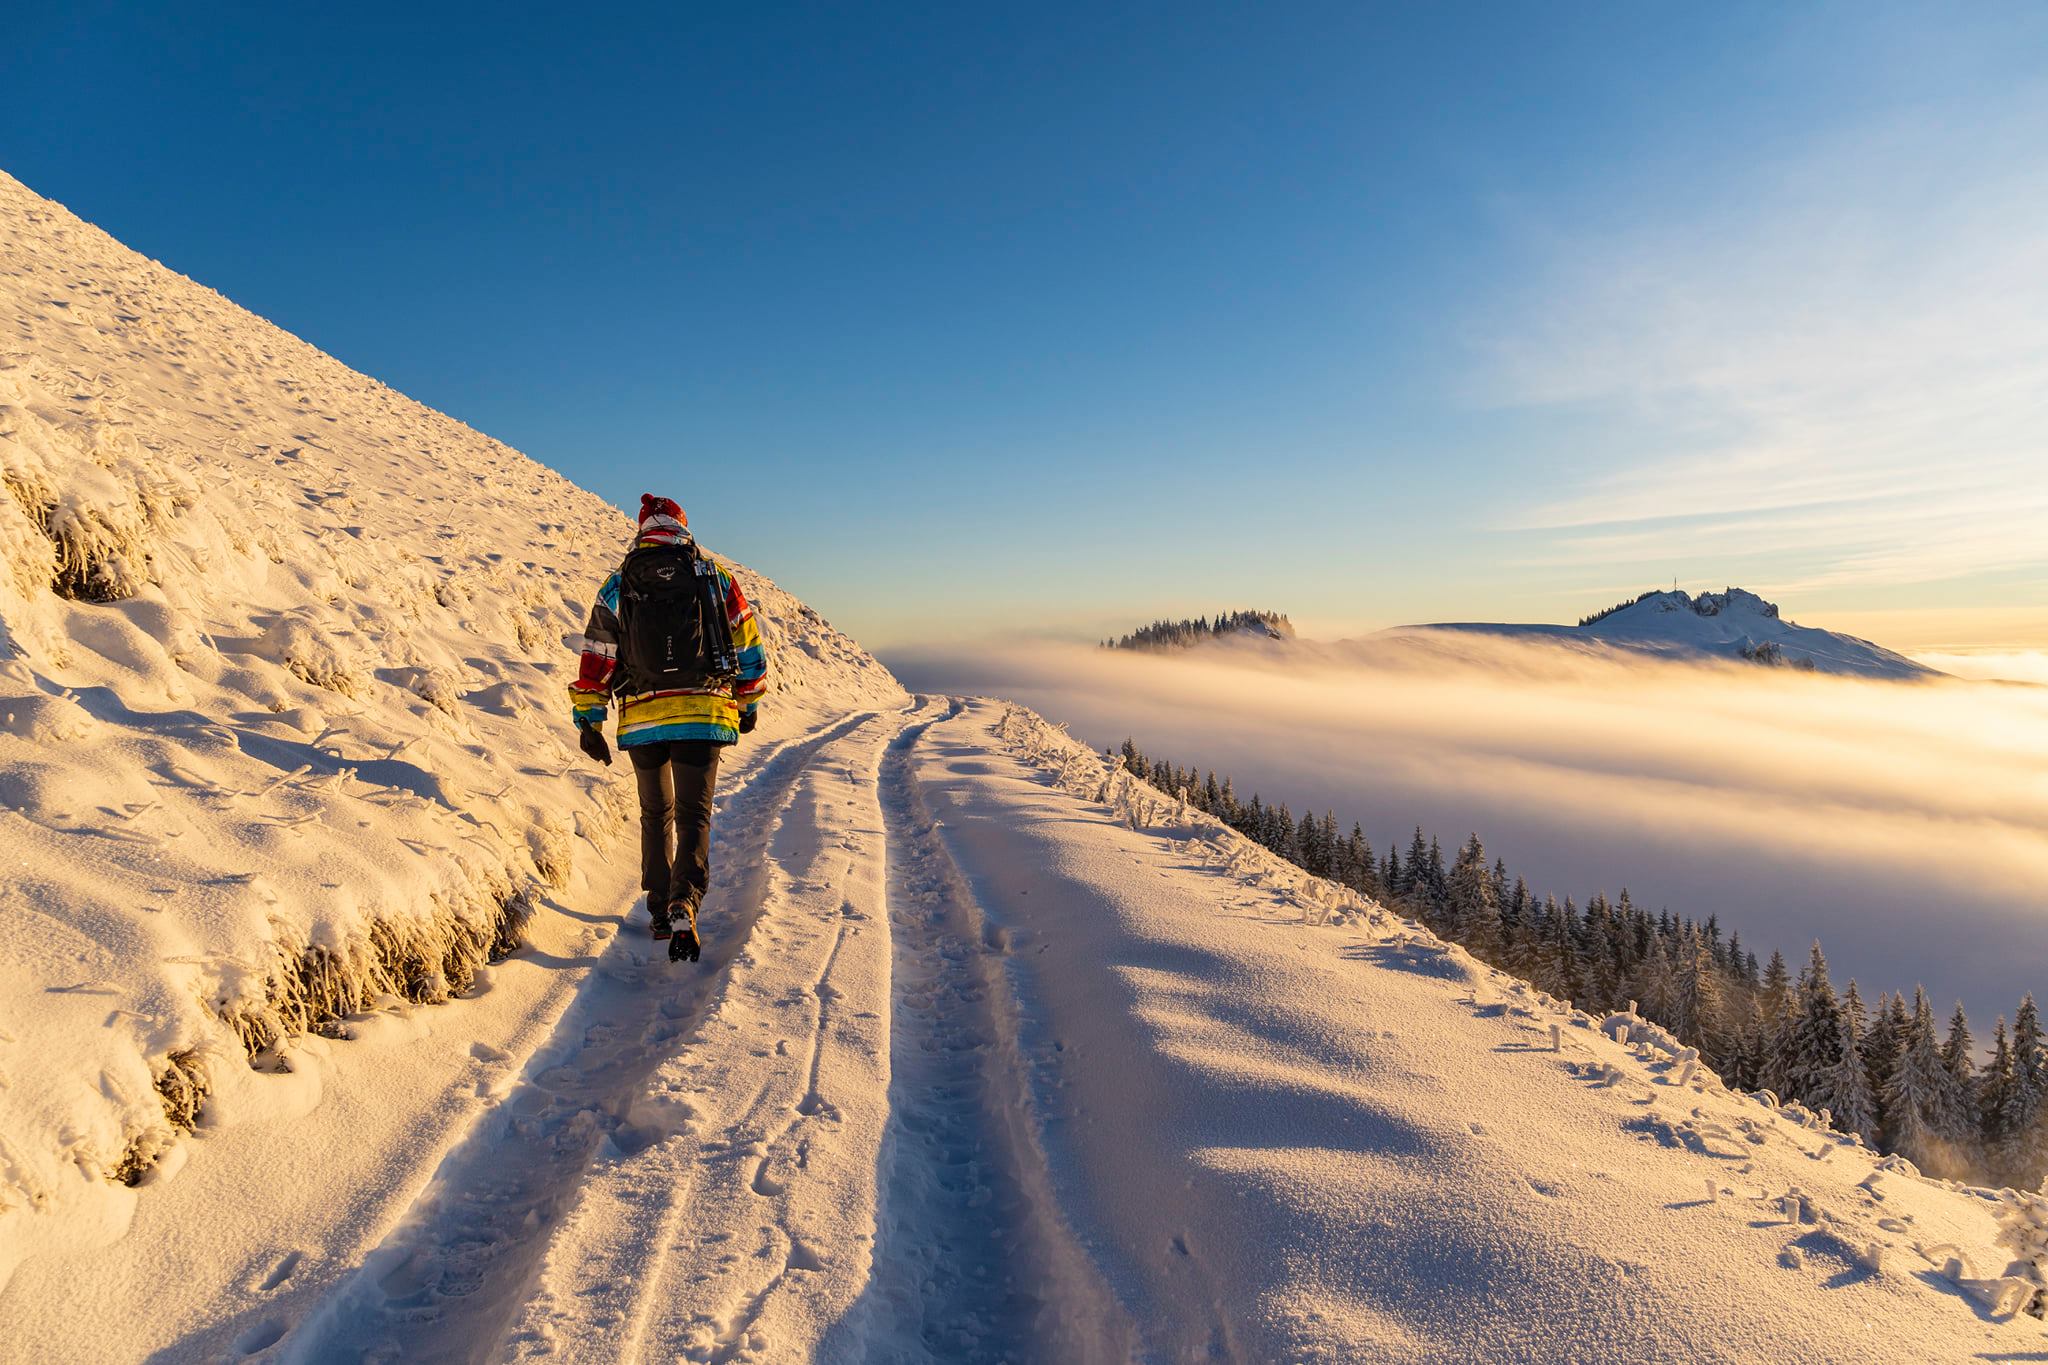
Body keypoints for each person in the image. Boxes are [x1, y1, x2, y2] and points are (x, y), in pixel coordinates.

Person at [569, 494, 768, 962]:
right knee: (694, 814)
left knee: (655, 812)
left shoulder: (619, 583)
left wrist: (589, 717)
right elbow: (745, 638)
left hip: (643, 716)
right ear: (683, 527)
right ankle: (686, 900)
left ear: (642, 530)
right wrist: (748, 697)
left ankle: (659, 909)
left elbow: (598, 652)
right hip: (703, 711)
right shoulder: (713, 576)